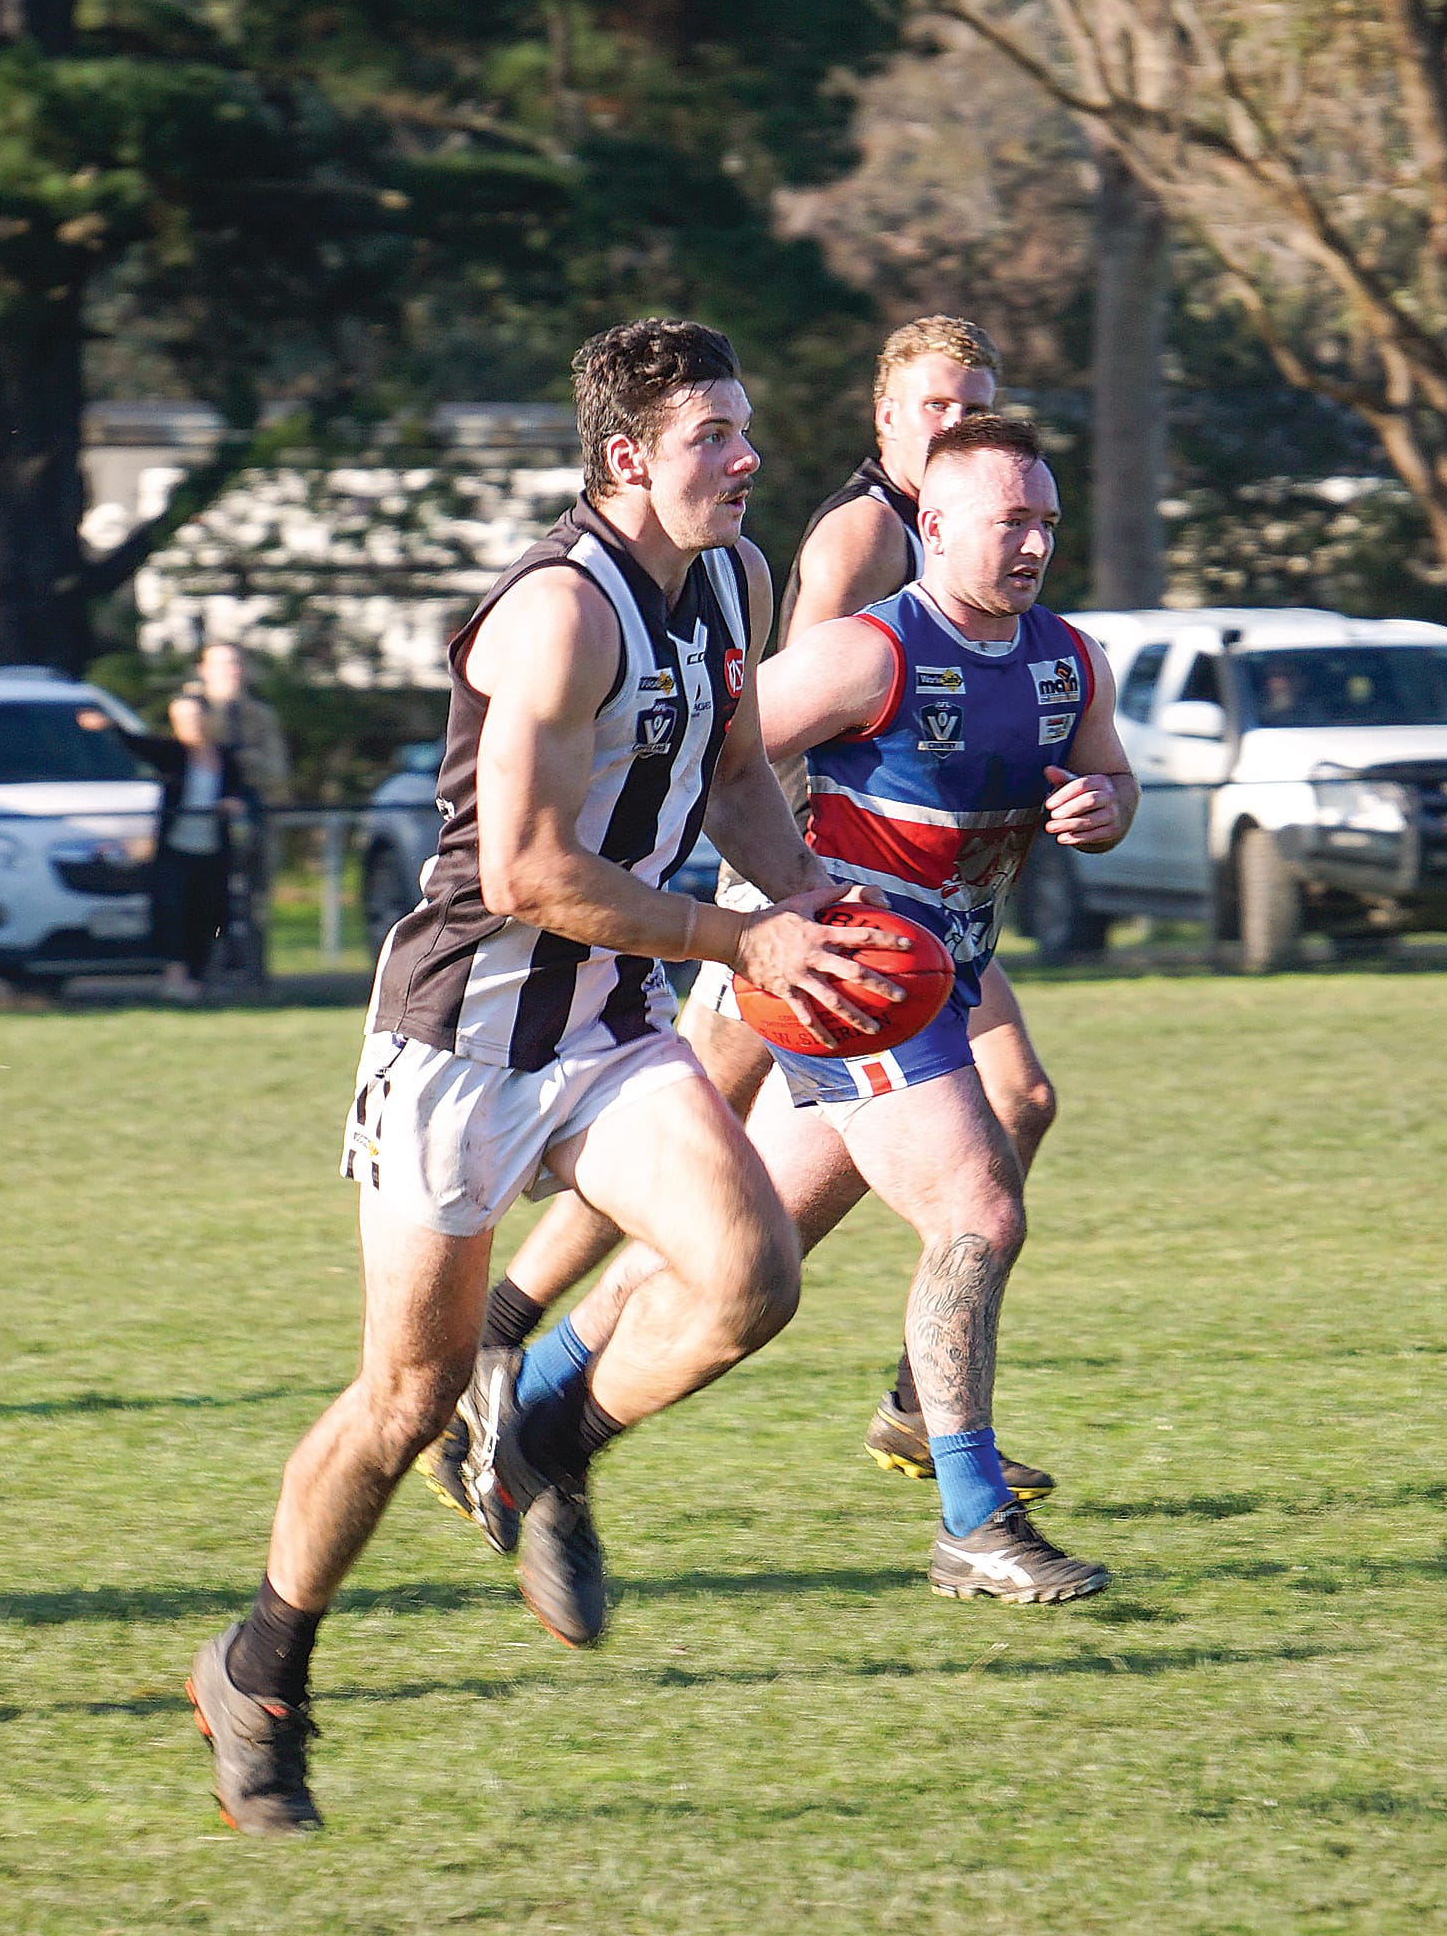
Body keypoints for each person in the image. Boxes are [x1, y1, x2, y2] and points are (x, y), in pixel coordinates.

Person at [185, 319, 907, 1833]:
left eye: (745, 426)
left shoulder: (733, 576)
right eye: (715, 434)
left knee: (749, 1273)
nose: (749, 456)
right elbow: (523, 871)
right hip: (459, 1041)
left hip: (608, 1024)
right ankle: (260, 1669)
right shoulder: (556, 614)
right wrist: (744, 938)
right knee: (403, 1397)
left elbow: (733, 776)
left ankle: (537, 1446)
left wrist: (807, 899)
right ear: (626, 456)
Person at [467, 414, 1137, 1606]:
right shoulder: (865, 656)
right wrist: (734, 902)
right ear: (934, 526)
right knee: (977, 1206)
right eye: (1009, 522)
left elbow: (1112, 776)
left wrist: (1103, 804)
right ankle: (972, 1519)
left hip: (941, 977)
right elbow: (708, 759)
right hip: (850, 984)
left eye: (1045, 520)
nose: (1034, 543)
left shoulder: (1069, 660)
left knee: (741, 1249)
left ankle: (521, 1413)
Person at [88, 693, 258, 1000]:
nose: (189, 725)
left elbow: (243, 792)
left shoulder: (225, 757)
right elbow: (138, 745)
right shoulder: (171, 754)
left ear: (207, 719)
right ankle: (174, 976)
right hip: (175, 849)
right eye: (181, 719)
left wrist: (234, 803)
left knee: (208, 913)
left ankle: (200, 976)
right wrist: (109, 726)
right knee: (171, 910)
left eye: (194, 717)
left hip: (212, 852)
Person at [196, 639, 290, 804]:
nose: (231, 671)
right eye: (222, 665)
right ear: (204, 670)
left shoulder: (262, 716)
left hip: (250, 804)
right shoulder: (189, 711)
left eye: (236, 663)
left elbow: (275, 772)